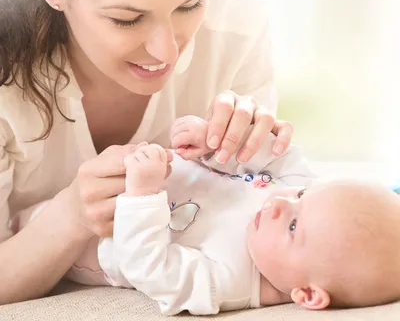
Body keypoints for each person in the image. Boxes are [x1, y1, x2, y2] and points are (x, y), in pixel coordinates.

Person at [0, 0, 295, 304]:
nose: (167, 51)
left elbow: (260, 215)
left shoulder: (233, 20)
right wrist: (71, 216)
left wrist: (254, 145)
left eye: (190, 5)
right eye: (126, 19)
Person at [16, 115, 400, 315]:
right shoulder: (303, 200)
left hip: (75, 237)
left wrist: (144, 194)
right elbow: (278, 156)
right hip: (92, 180)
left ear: (308, 294)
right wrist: (212, 147)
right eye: (303, 195)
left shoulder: (226, 283)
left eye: (294, 226)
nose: (282, 203)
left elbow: (149, 268)